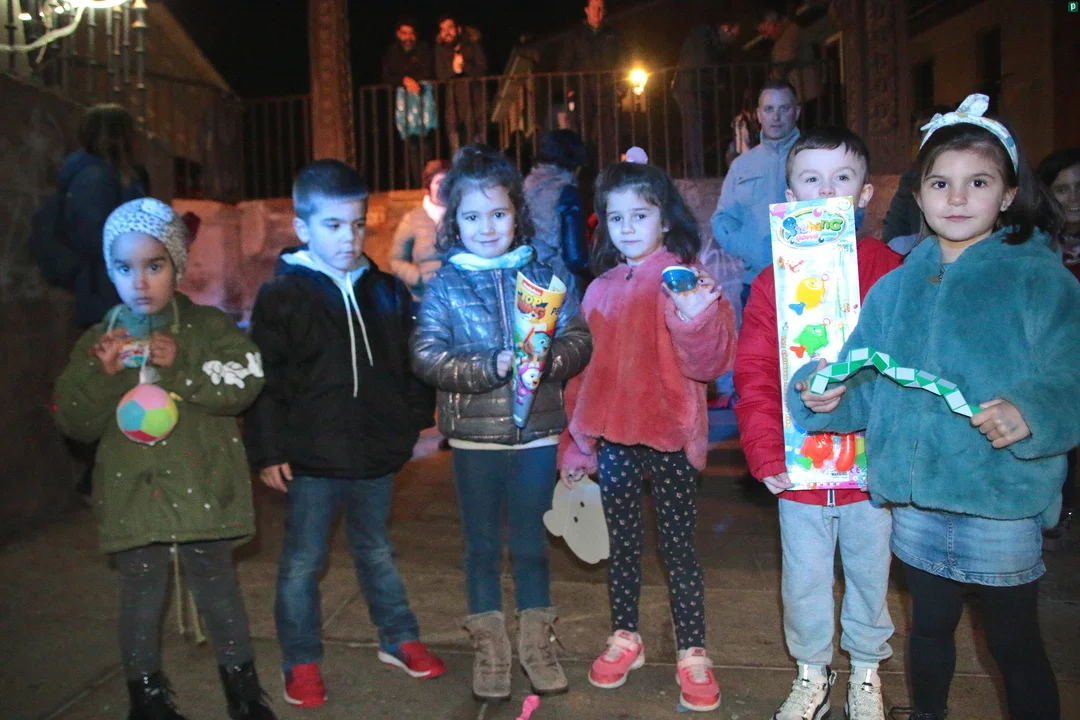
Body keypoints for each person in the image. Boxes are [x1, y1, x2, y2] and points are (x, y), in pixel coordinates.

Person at [790, 94, 1076, 720]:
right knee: (927, 631)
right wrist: (827, 394)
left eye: (979, 182)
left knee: (1013, 642)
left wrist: (1032, 411)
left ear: (1008, 194)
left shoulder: (1038, 280)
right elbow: (866, 379)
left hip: (1000, 503)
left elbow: (1071, 372)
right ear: (918, 196)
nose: (957, 197)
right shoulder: (895, 288)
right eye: (941, 183)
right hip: (916, 504)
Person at [53, 198, 274, 720]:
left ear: (177, 265)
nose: (140, 282)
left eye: (154, 265)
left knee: (218, 590)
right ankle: (147, 699)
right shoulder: (100, 341)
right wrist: (104, 378)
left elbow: (245, 383)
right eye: (124, 268)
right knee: (140, 594)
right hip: (134, 493)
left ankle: (244, 694)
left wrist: (184, 365)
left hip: (202, 486)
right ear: (110, 271)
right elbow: (73, 421)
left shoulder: (208, 328)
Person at [244, 160, 445, 709]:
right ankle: (301, 659)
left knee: (376, 549)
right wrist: (268, 449)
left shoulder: (385, 290)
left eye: (356, 224)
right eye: (332, 225)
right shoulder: (283, 295)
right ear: (303, 227)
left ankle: (398, 637)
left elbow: (411, 362)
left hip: (374, 453)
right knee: (303, 561)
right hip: (310, 458)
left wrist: (408, 420)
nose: (348, 238)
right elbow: (265, 378)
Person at [411, 146, 591, 701]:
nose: (485, 227)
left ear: (516, 214)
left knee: (532, 544)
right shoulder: (444, 285)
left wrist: (546, 361)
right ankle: (490, 648)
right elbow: (426, 355)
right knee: (482, 547)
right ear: (454, 222)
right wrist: (490, 366)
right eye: (472, 216)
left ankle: (536, 644)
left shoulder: (544, 274)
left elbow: (578, 338)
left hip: (537, 434)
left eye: (497, 214)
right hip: (475, 439)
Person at [735, 127, 902, 720]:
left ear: (864, 194)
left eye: (842, 178)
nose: (827, 190)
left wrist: (896, 450)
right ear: (790, 195)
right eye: (811, 178)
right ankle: (812, 672)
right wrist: (764, 451)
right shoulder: (771, 281)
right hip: (799, 471)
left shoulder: (890, 271)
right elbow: (754, 370)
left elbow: (907, 364)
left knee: (870, 576)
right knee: (804, 581)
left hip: (870, 473)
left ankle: (866, 671)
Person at [560, 162, 736, 712]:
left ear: (665, 219)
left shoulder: (687, 279)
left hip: (670, 439)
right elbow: (582, 376)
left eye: (640, 214)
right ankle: (625, 636)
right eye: (617, 217)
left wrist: (694, 317)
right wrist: (576, 444)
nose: (629, 227)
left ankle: (692, 650)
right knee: (623, 547)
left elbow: (711, 364)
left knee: (679, 549)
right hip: (613, 441)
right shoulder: (599, 290)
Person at [1036, 147, 1080, 542]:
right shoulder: (1037, 245)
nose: (1073, 198)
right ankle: (1059, 507)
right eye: (1063, 189)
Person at [556, 0, 624, 167]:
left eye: (600, 8)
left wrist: (621, 88)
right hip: (583, 91)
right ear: (587, 10)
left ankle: (607, 168)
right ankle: (584, 169)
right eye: (594, 8)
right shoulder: (576, 36)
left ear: (604, 11)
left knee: (608, 132)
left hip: (607, 90)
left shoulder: (613, 35)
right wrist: (569, 89)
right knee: (583, 131)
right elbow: (565, 64)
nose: (597, 12)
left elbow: (623, 61)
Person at [523, 129, 590, 296]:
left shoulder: (527, 185)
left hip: (528, 273)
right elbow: (575, 257)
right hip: (559, 277)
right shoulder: (566, 192)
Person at [674, 22, 740, 178]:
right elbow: (703, 60)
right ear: (725, 28)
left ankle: (698, 169)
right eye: (732, 35)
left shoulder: (707, 37)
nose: (732, 40)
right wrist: (718, 80)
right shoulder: (703, 35)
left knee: (696, 131)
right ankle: (697, 172)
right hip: (689, 88)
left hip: (692, 88)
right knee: (693, 131)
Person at [381, 18, 435, 188]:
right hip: (403, 106)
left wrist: (412, 80)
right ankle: (419, 183)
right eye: (404, 33)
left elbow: (428, 71)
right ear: (398, 34)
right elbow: (387, 75)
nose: (408, 37)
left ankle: (429, 182)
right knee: (410, 145)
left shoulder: (423, 49)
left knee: (426, 143)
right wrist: (404, 79)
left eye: (411, 33)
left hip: (423, 103)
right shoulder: (392, 52)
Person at [389, 159, 450, 303]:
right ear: (429, 187)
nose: (444, 187)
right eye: (438, 182)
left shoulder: (463, 216)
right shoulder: (412, 219)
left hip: (458, 296)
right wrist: (418, 279)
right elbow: (396, 260)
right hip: (424, 298)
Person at [434, 15, 489, 154]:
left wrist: (464, 65)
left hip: (475, 103)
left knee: (477, 148)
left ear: (458, 29)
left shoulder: (472, 45)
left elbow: (481, 69)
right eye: (443, 29)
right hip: (453, 106)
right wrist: (454, 69)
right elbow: (440, 74)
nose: (447, 32)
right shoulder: (440, 50)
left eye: (450, 27)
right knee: (457, 149)